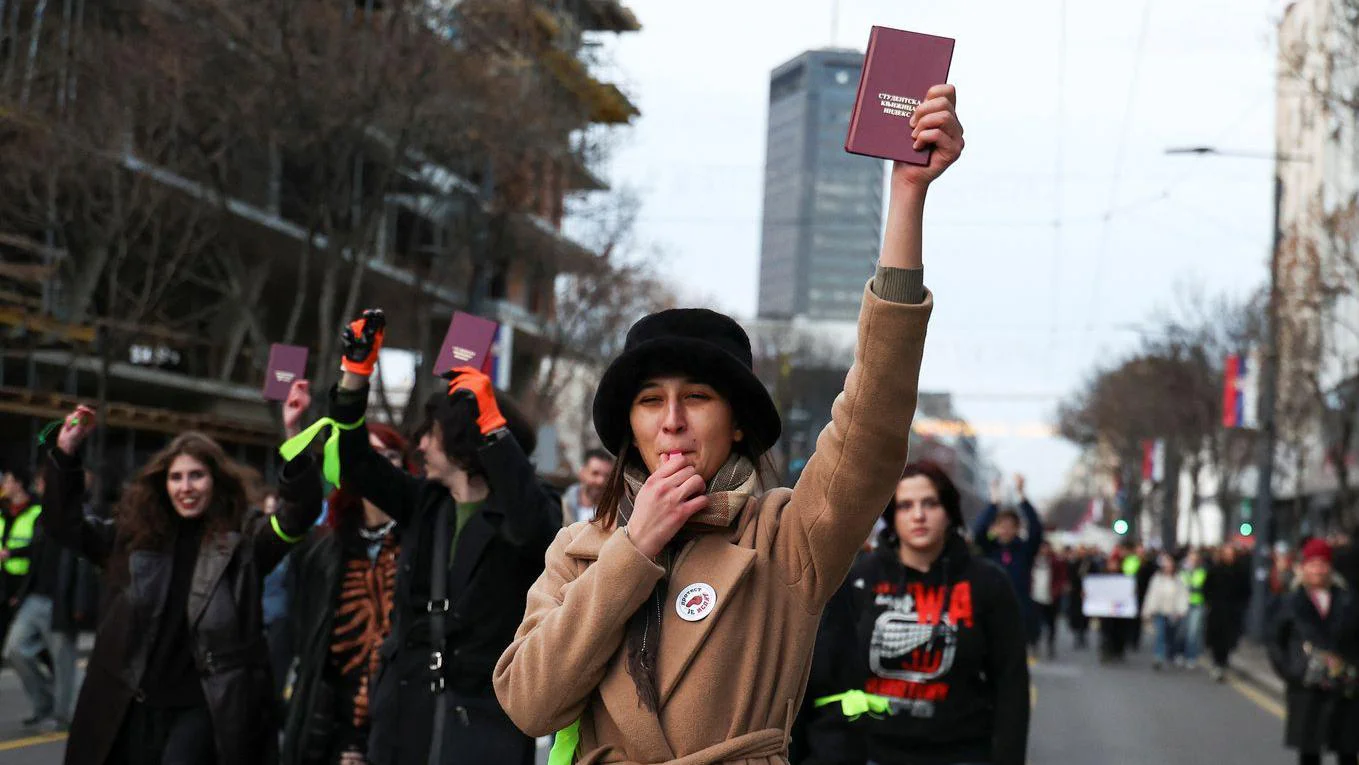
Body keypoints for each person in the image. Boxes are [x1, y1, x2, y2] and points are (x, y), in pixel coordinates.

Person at [492, 84, 962, 765]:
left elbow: (872, 424)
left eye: (698, 398)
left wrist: (906, 199)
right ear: (629, 421)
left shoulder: (788, 537)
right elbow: (530, 703)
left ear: (737, 422)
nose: (673, 421)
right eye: (650, 400)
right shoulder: (579, 548)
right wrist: (634, 549)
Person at [316, 309, 560, 765]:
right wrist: (355, 375)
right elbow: (353, 463)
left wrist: (493, 425)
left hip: (483, 722)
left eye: (430, 432)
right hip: (405, 714)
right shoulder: (425, 502)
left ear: (462, 437)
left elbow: (534, 528)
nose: (420, 445)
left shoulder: (528, 506)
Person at [40, 390, 323, 765]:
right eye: (176, 478)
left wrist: (293, 433)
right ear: (163, 484)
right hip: (131, 705)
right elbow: (64, 524)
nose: (186, 487)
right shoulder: (131, 538)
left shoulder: (245, 544)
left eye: (196, 476)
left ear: (215, 480)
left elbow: (299, 514)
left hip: (205, 708)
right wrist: (66, 453)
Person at [803, 462, 1030, 765]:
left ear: (948, 510)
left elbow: (1011, 683)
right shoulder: (858, 580)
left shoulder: (988, 583)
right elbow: (824, 678)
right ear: (891, 516)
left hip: (961, 752)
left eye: (930, 504)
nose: (918, 515)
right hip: (871, 752)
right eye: (905, 506)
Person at [281, 420, 414, 765]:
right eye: (369, 454)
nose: (380, 464)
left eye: (390, 455)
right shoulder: (326, 550)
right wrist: (295, 433)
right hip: (333, 725)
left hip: (403, 724)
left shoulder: (422, 541)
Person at [1268, 538, 1359, 765]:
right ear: (1303, 567)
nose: (1318, 569)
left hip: (1344, 688)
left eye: (1323, 564)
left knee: (1348, 751)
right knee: (1309, 752)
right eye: (1313, 564)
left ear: (1330, 568)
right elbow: (1275, 642)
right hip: (1307, 689)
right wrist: (1293, 671)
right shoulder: (1290, 601)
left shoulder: (1347, 599)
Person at [971, 474, 1044, 644]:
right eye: (1001, 525)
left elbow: (1036, 530)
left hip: (1019, 611)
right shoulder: (989, 548)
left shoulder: (1024, 550)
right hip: (990, 610)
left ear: (1017, 528)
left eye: (1010, 526)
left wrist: (1022, 496)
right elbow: (978, 531)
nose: (1006, 530)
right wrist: (994, 503)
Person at [1, 465, 42, 647]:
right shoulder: (3, 512)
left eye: (8, 481)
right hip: (2, 580)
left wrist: (12, 553)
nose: (4, 485)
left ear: (19, 484)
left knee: (25, 641)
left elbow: (38, 548)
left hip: (22, 582)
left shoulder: (36, 512)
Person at [1205, 544, 1252, 682]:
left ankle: (1222, 663)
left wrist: (1241, 606)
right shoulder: (1215, 570)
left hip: (1232, 613)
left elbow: (1246, 591)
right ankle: (1218, 663)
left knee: (1228, 640)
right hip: (1217, 611)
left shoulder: (1240, 571)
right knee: (1217, 640)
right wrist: (1210, 602)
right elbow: (1207, 588)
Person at [1142, 553, 1190, 670]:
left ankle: (1171, 654)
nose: (1167, 568)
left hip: (1174, 613)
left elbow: (1183, 596)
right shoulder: (1157, 579)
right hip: (1160, 611)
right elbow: (1152, 595)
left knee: (1172, 636)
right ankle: (1158, 657)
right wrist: (1147, 610)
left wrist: (1182, 610)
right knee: (1160, 635)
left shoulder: (1179, 580)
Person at [1030, 541, 1066, 659]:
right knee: (1036, 623)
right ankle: (1035, 644)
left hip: (1051, 597)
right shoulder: (1032, 561)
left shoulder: (1056, 562)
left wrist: (1056, 591)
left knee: (1051, 623)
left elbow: (1061, 578)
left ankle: (1050, 645)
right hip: (1035, 596)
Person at [563, 448, 615, 527]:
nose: (601, 481)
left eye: (607, 476)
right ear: (582, 473)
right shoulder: (561, 508)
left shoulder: (615, 513)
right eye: (595, 473)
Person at [1178, 549, 1208, 669]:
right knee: (1182, 631)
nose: (1193, 561)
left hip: (1197, 604)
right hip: (1183, 604)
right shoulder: (1183, 571)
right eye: (1191, 558)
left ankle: (1191, 657)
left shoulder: (1202, 571)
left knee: (1193, 632)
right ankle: (1180, 653)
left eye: (1195, 558)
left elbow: (1201, 587)